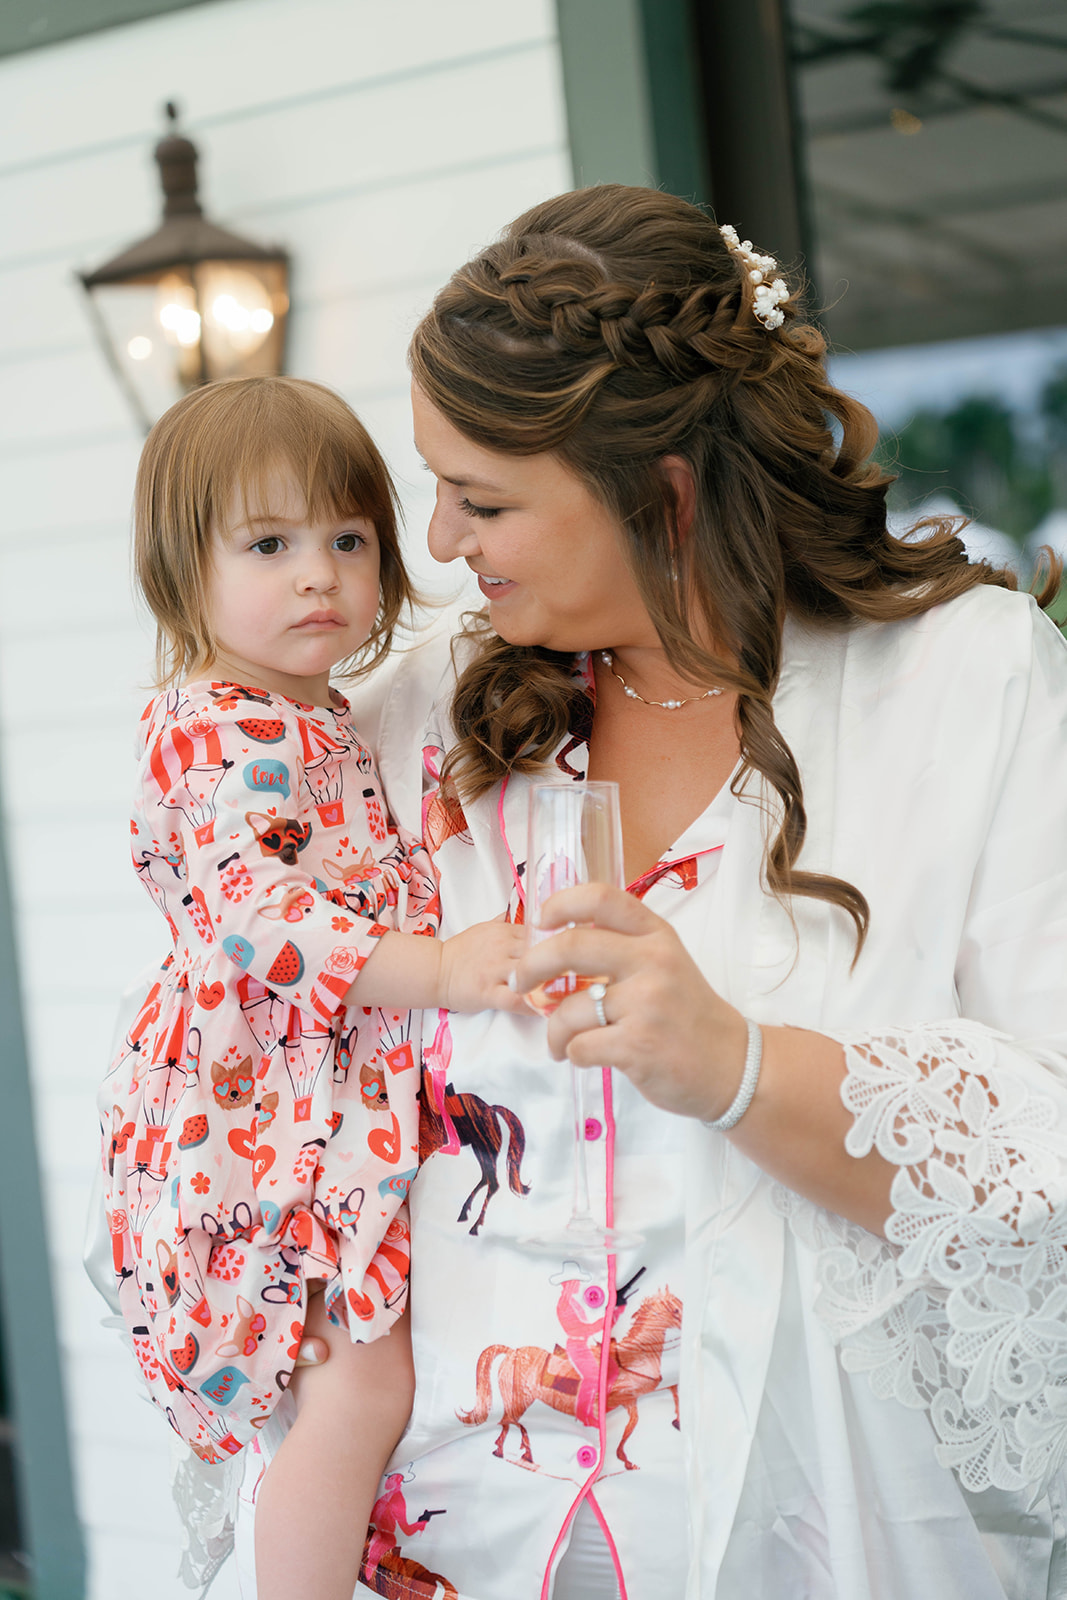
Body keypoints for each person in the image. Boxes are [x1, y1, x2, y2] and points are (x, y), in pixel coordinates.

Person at [258, 183, 1067, 1600]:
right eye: (432, 486)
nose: (436, 542)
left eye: (484, 497)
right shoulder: (406, 713)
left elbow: (1045, 1158)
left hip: (803, 1537)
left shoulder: (962, 685)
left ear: (662, 490)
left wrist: (738, 1065)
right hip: (443, 1534)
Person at [97, 377, 522, 1600]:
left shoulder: (311, 712)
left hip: (293, 1086)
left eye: (347, 539)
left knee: (358, 1364)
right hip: (253, 1108)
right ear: (183, 574)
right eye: (270, 545)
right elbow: (258, 916)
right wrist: (440, 969)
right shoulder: (218, 729)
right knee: (354, 1379)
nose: (319, 575)